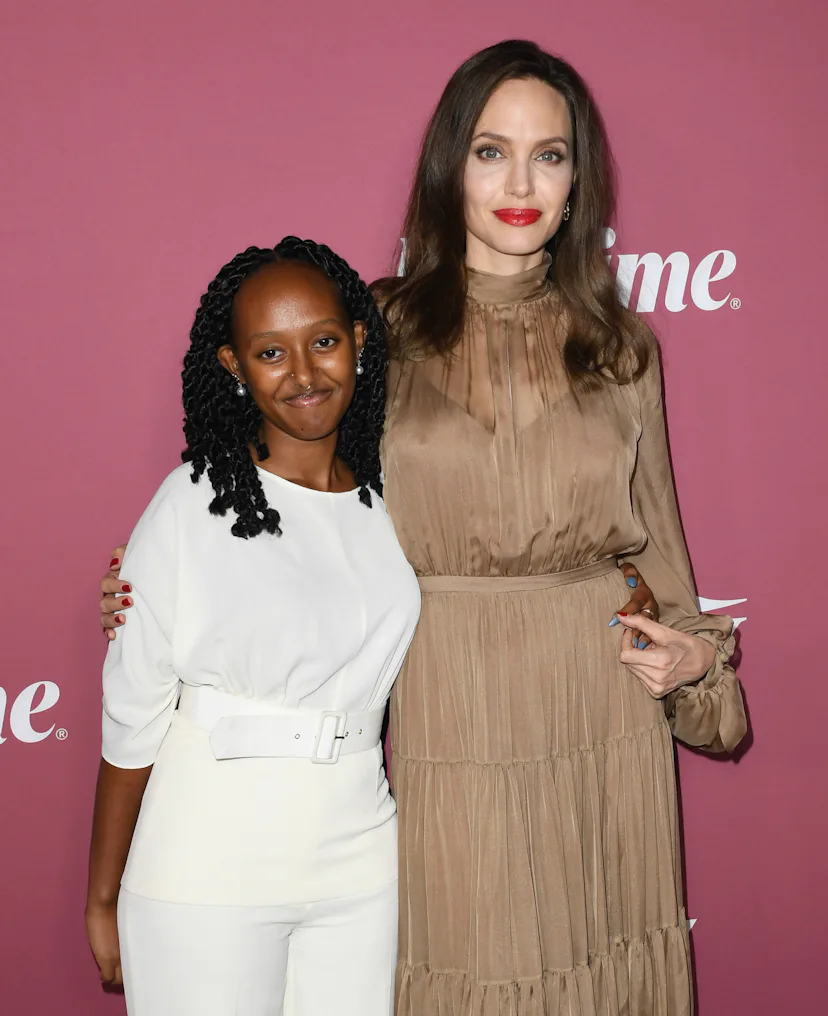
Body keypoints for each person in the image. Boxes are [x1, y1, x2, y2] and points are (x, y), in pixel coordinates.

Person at [99, 40, 747, 1016]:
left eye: (550, 155)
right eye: (492, 151)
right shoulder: (377, 330)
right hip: (449, 703)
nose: (521, 182)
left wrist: (696, 667)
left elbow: (664, 562)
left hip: (598, 713)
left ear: (579, 184)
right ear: (451, 168)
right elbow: (284, 490)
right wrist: (156, 583)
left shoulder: (623, 348)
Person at [86, 237, 421, 1016]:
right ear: (233, 366)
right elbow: (132, 715)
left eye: (325, 342)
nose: (304, 375)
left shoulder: (395, 499)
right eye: (271, 352)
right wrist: (102, 896)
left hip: (365, 862)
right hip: (206, 862)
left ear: (359, 342)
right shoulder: (189, 504)